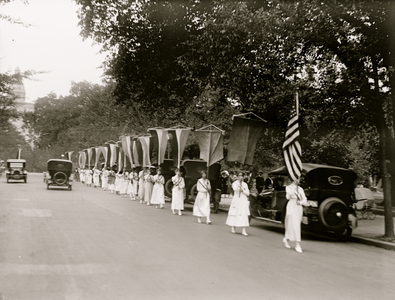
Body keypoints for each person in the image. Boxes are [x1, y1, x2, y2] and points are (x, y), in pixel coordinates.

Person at [283, 178, 307, 253]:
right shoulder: (288, 187)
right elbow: (288, 196)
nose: (298, 180)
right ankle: (296, 244)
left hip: (298, 207)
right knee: (291, 224)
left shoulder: (301, 189)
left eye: (299, 179)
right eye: (297, 179)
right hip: (291, 206)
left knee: (297, 224)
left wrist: (301, 202)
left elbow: (304, 199)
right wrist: (294, 187)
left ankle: (289, 239)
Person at [226, 171, 250, 236]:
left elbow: (248, 193)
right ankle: (233, 227)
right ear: (237, 177)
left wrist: (243, 190)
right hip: (237, 200)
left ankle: (243, 230)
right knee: (235, 213)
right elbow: (235, 189)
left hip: (243, 200)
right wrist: (239, 185)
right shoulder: (235, 183)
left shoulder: (245, 184)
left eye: (242, 176)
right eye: (239, 176)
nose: (241, 177)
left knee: (244, 214)